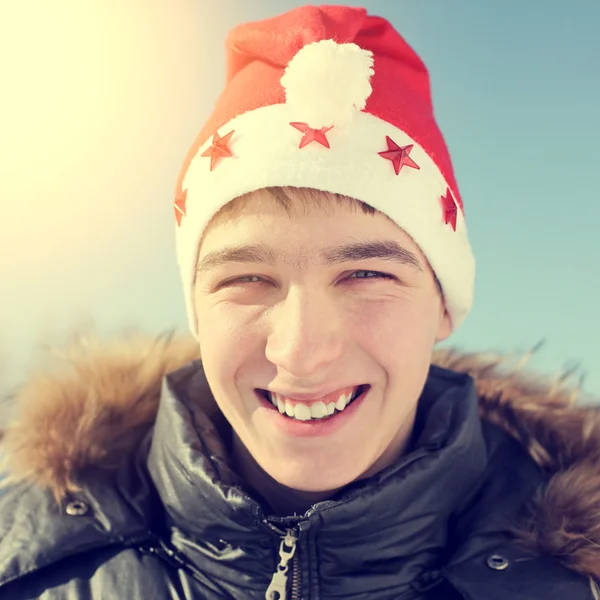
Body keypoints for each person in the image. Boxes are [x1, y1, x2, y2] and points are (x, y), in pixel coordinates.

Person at [0, 5, 598, 599]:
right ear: (198, 312)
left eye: (365, 274)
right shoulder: (22, 556)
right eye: (247, 281)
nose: (303, 350)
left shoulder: (577, 579)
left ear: (443, 304)